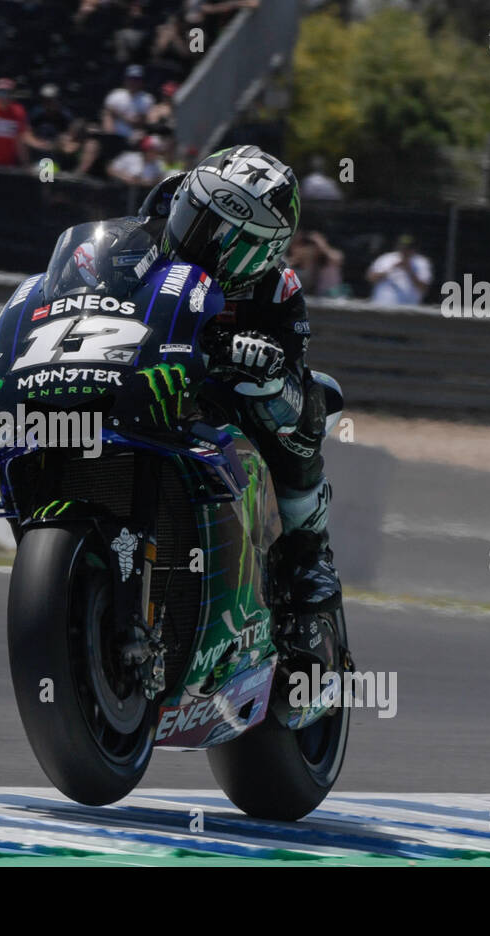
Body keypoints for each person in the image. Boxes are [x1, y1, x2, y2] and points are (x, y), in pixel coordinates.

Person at [140, 145, 342, 631]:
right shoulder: (148, 228)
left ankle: (307, 557)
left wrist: (259, 360)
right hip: (144, 374)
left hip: (222, 395)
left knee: (308, 402)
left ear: (265, 251)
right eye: (198, 221)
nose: (203, 243)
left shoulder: (277, 289)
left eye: (228, 239)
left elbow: (292, 368)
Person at [366, 234, 432, 305]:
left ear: (414, 248)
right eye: (402, 247)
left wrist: (409, 270)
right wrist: (390, 270)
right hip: (381, 306)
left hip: (409, 310)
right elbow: (370, 278)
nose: (405, 250)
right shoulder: (386, 258)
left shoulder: (421, 262)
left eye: (408, 248)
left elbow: (424, 288)